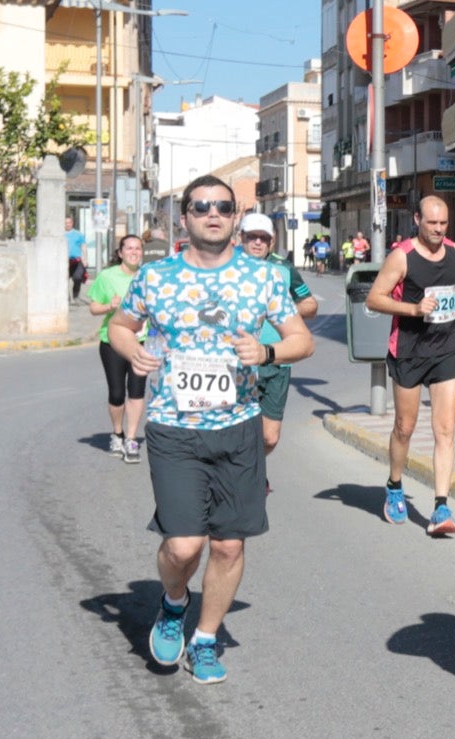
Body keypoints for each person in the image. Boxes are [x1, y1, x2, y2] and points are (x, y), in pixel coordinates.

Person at [108, 174, 314, 684]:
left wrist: (268, 351)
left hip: (239, 427)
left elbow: (301, 340)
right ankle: (175, 602)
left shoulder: (264, 278)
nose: (213, 213)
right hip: (174, 427)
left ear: (236, 216)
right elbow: (119, 324)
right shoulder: (156, 278)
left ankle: (205, 639)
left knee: (228, 546)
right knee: (183, 545)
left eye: (223, 206)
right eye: (201, 207)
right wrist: (130, 349)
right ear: (185, 218)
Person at [363, 195, 455, 536]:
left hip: (446, 348)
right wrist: (415, 309)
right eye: (432, 224)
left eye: (443, 224)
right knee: (405, 427)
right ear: (417, 220)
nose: (439, 230)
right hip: (410, 350)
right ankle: (395, 486)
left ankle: (441, 505)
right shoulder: (402, 256)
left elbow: (454, 291)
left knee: (445, 431)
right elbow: (374, 298)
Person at [238, 212, 319, 461]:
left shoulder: (284, 269)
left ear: (272, 241)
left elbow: (310, 304)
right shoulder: (228, 267)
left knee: (270, 437)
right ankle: (248, 478)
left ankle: (255, 468)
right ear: (241, 238)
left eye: (264, 238)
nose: (258, 243)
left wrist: (283, 311)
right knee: (237, 431)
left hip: (276, 361)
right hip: (239, 361)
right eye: (252, 237)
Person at [87, 233, 148, 464]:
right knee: (116, 393)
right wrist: (108, 306)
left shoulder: (147, 277)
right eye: (129, 248)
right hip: (111, 341)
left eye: (138, 248)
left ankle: (131, 438)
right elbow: (93, 308)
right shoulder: (107, 276)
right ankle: (117, 433)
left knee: (137, 390)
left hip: (141, 341)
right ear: (120, 253)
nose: (134, 252)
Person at [66, 216, 88, 302]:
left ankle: (75, 295)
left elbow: (83, 246)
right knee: (64, 280)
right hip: (64, 261)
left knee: (78, 277)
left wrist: (85, 259)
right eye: (66, 223)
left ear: (72, 223)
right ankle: (66, 297)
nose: (67, 224)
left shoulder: (78, 234)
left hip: (77, 260)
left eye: (69, 223)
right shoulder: (60, 234)